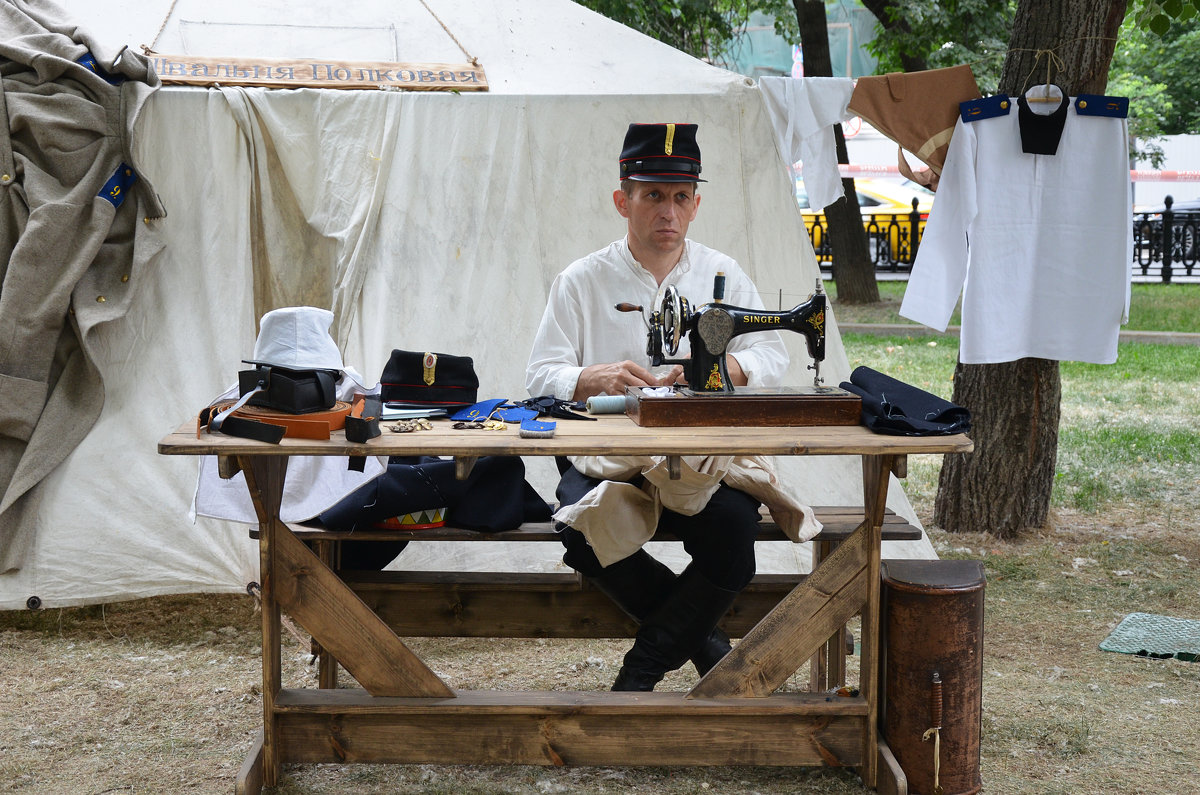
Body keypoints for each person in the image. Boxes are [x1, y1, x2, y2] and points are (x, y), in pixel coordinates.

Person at [525, 122, 790, 691]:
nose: (666, 211)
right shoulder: (581, 280)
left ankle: (639, 675)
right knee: (581, 531)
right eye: (652, 196)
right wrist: (586, 376)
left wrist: (715, 370)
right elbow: (539, 377)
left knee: (733, 541)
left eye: (679, 197)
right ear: (623, 200)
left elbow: (772, 355)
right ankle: (710, 647)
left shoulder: (723, 276)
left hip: (696, 460)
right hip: (607, 454)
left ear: (695, 205)